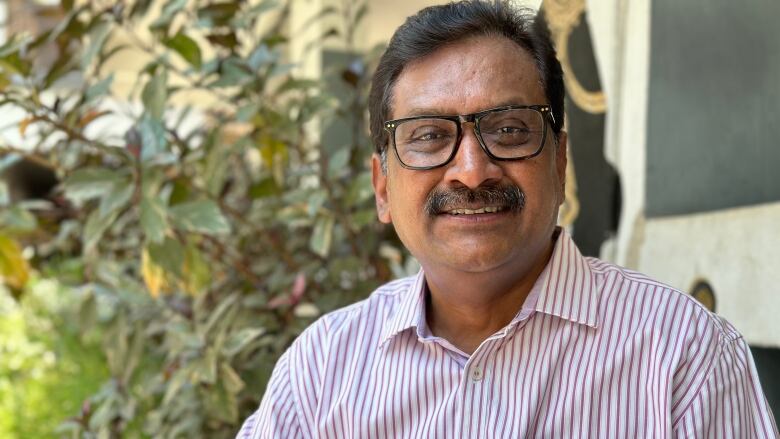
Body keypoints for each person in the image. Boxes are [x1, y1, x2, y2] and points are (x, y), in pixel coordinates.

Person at [238, 1, 779, 437]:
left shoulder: (681, 356)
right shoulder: (324, 368)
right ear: (383, 188)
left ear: (561, 163)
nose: (472, 173)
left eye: (510, 130)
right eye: (429, 136)